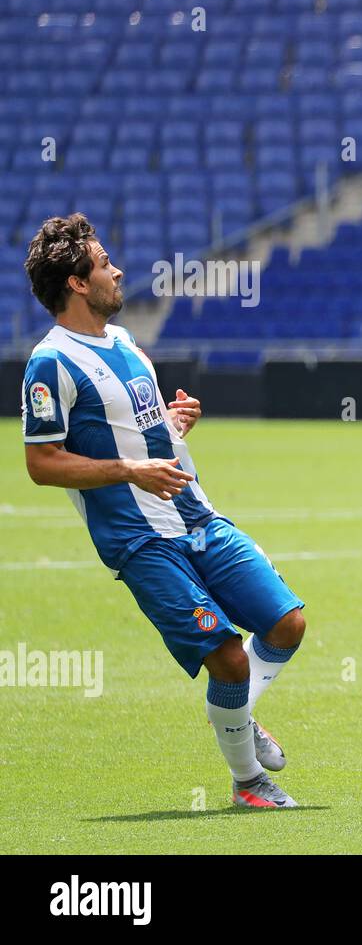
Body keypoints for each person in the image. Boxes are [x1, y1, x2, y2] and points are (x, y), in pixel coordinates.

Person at [20, 213, 305, 807]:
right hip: (140, 541)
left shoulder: (125, 343)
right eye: (102, 264)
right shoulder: (50, 364)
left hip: (197, 516)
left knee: (287, 624)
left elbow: (138, 434)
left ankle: (236, 713)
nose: (116, 270)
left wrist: (171, 426)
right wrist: (129, 471)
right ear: (76, 283)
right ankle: (248, 782)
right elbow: (42, 463)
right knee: (227, 657)